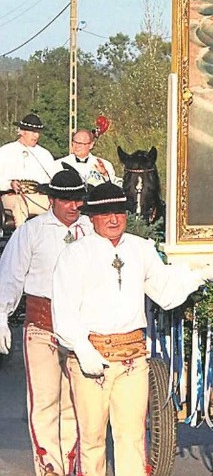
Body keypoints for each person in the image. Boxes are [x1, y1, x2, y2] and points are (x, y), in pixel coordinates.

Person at [51, 182, 213, 476]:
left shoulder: (140, 248)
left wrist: (198, 276)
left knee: (132, 438)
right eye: (105, 214)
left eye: (119, 212)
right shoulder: (75, 255)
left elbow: (165, 293)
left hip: (132, 358)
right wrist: (83, 349)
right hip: (91, 358)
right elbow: (62, 312)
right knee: (92, 440)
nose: (114, 220)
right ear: (92, 217)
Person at [0, 165, 92, 476]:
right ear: (52, 200)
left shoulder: (90, 230)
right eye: (67, 201)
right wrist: (2, 314)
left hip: (80, 326)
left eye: (78, 200)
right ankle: (48, 468)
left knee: (73, 403)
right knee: (44, 401)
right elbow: (10, 276)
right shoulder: (32, 231)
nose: (74, 207)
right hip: (42, 324)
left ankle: (69, 466)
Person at [0, 113, 56, 227]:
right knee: (20, 205)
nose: (36, 136)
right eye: (32, 132)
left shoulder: (44, 154)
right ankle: (22, 240)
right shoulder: (5, 151)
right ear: (21, 131)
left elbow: (54, 178)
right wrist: (10, 184)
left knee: (58, 206)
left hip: (39, 196)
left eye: (37, 132)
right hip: (11, 197)